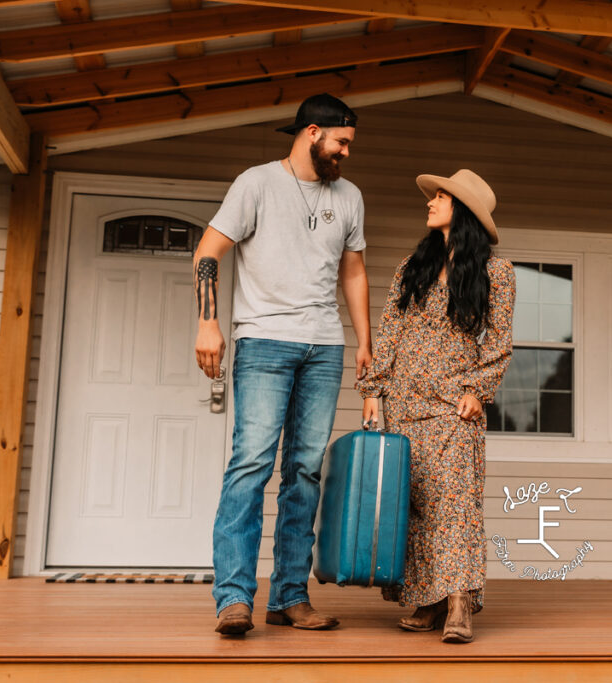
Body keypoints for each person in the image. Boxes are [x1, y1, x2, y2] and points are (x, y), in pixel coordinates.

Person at [193, 93, 372, 636]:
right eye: (340, 142)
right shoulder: (257, 183)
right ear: (313, 132)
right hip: (265, 342)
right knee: (251, 465)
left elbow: (355, 272)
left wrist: (365, 341)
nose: (345, 153)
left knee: (305, 471)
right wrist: (207, 322)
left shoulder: (350, 196)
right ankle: (233, 599)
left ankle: (290, 596)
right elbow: (208, 250)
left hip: (325, 347)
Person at [355, 169, 515, 644]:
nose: (431, 202)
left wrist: (478, 391)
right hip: (405, 403)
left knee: (457, 505)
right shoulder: (413, 267)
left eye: (441, 197)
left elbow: (500, 343)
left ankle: (461, 602)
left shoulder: (496, 273)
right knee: (417, 506)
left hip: (454, 406)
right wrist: (372, 390)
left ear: (462, 211)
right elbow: (390, 333)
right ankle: (428, 599)